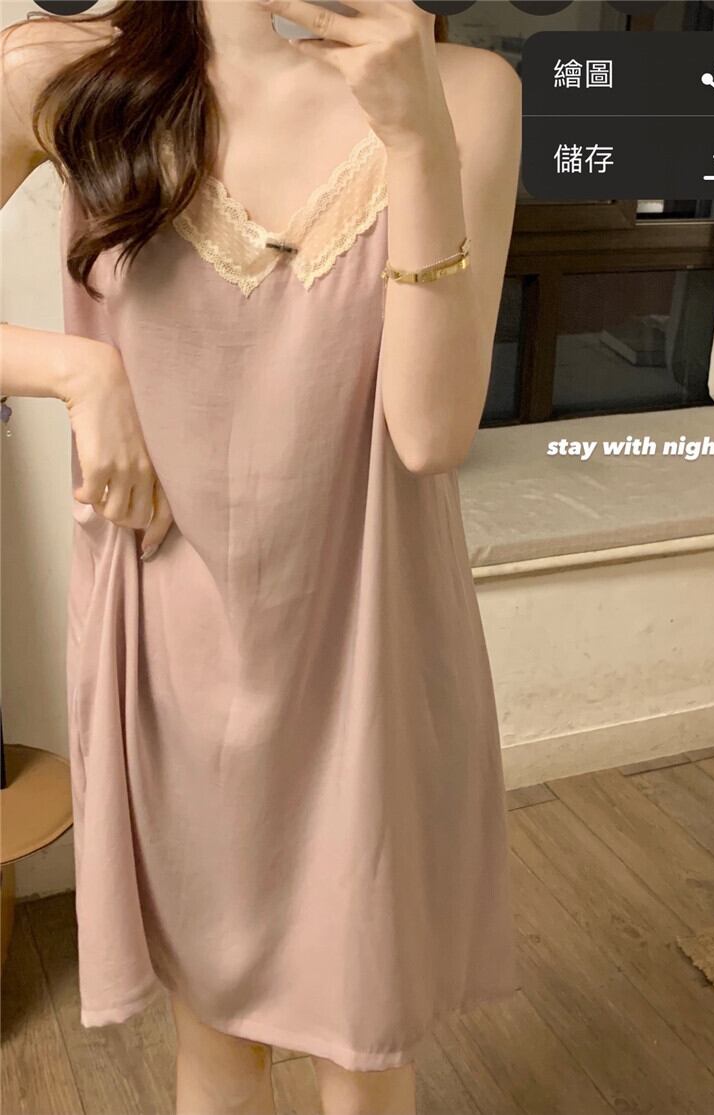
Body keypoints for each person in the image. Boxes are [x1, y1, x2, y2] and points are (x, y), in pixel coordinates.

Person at [0, 2, 521, 1112]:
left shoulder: (468, 92)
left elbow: (430, 432)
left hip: (371, 649)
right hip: (176, 655)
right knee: (218, 1042)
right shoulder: (67, 71)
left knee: (364, 1052)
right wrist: (75, 372)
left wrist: (414, 135)